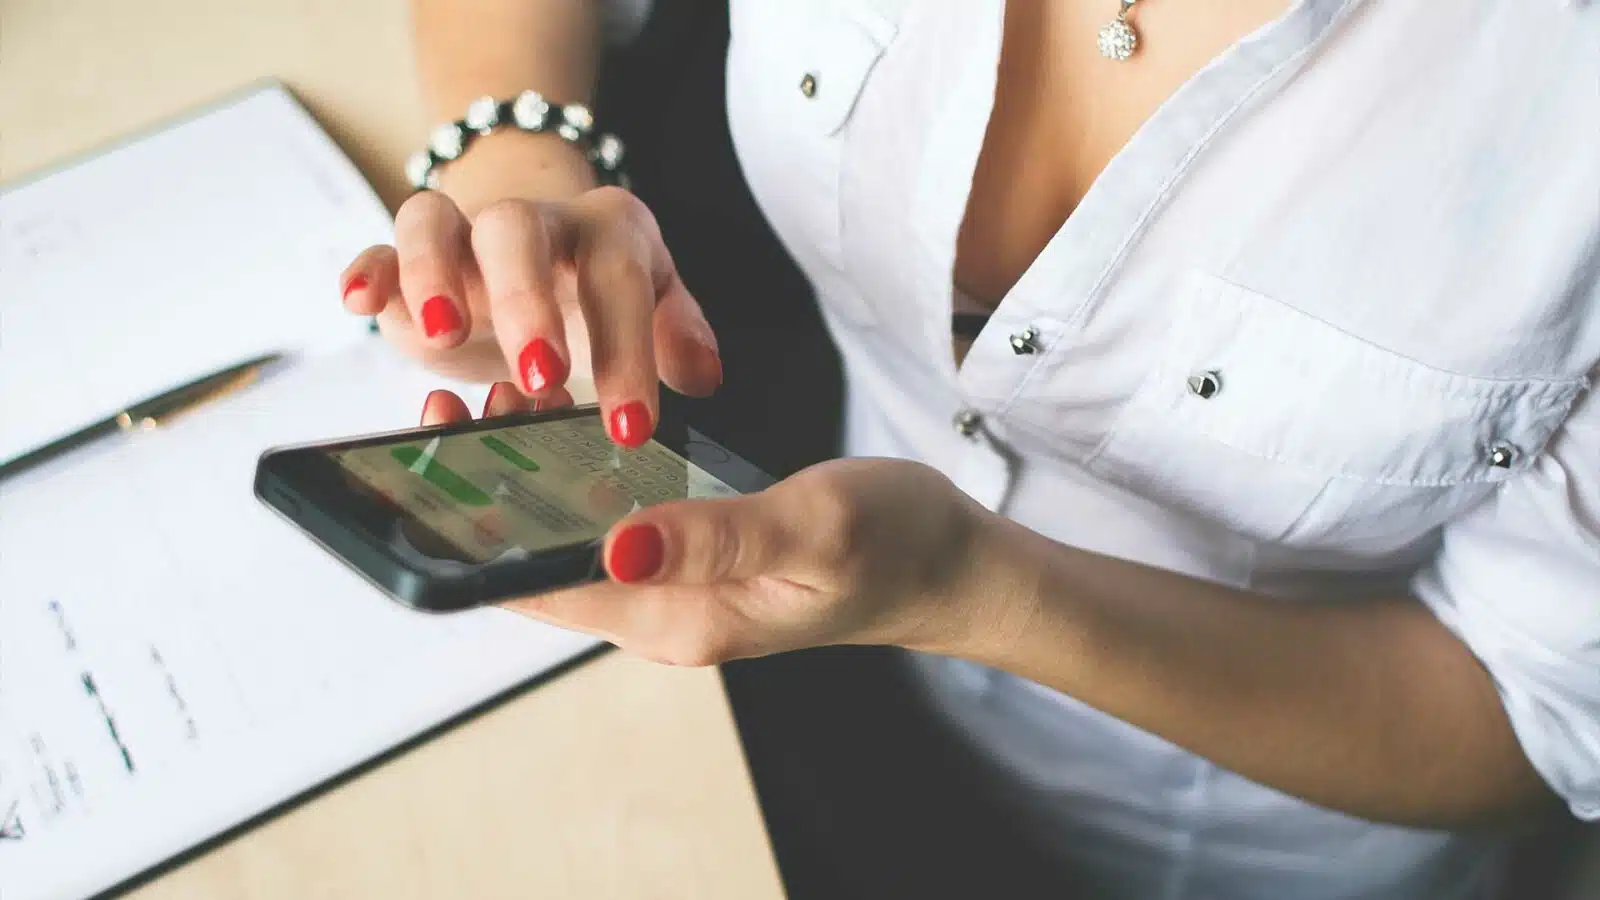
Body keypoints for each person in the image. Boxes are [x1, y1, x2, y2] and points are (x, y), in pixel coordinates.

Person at [338, 1, 1600, 897]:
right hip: (779, 724)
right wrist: (520, 161)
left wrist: (963, 589)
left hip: (1235, 857)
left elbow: (1524, 713)